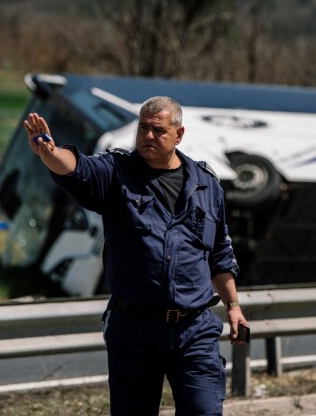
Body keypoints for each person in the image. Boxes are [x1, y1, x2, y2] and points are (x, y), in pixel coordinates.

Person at [24, 96, 248, 416]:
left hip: (194, 330)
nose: (147, 136)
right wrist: (49, 152)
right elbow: (79, 170)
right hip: (135, 331)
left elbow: (219, 254)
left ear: (179, 134)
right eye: (143, 128)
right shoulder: (117, 172)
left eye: (157, 130)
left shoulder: (206, 184)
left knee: (205, 412)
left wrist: (234, 306)